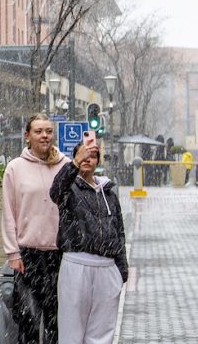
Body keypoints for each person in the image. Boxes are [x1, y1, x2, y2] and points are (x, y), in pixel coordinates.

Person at [50, 139, 128, 344]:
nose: (87, 160)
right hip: (76, 264)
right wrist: (74, 164)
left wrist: (121, 271)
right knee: (71, 331)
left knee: (102, 334)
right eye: (83, 155)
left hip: (107, 268)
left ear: (98, 162)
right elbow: (55, 191)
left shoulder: (109, 192)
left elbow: (119, 231)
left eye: (92, 156)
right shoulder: (69, 188)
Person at [1, 113, 69, 344]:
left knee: (57, 320)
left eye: (49, 131)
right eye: (39, 131)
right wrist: (13, 253)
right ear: (27, 136)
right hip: (28, 256)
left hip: (60, 256)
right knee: (28, 319)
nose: (45, 136)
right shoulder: (14, 169)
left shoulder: (66, 166)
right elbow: (9, 213)